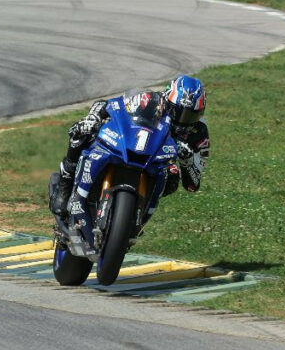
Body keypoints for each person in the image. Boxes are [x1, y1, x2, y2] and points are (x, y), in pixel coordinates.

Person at [52, 75, 210, 245]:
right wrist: (93, 118)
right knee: (80, 134)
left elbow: (193, 184)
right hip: (128, 144)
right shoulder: (150, 100)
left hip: (156, 164)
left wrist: (187, 160)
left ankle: (136, 215)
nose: (184, 121)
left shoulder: (199, 134)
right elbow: (107, 104)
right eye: (180, 112)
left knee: (172, 176)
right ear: (168, 102)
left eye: (191, 116)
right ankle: (65, 183)